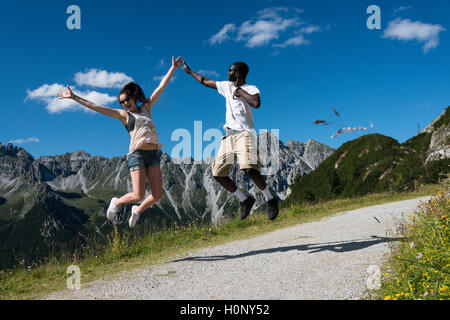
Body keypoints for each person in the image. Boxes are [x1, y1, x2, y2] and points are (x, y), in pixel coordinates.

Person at [58, 56, 184, 227]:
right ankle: (116, 202)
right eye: (122, 102)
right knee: (138, 195)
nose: (125, 103)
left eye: (127, 100)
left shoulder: (146, 108)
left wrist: (173, 68)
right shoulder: (123, 115)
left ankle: (137, 211)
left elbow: (161, 86)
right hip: (137, 155)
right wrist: (74, 97)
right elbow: (97, 107)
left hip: (153, 154)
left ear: (133, 98)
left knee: (157, 196)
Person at [182, 61, 279, 220]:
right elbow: (206, 81)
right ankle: (245, 200)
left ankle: (270, 198)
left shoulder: (251, 89)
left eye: (230, 70)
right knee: (217, 173)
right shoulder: (226, 86)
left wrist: (239, 91)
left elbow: (256, 103)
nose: (227, 72)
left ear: (238, 73)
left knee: (249, 169)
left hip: (244, 134)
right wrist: (189, 71)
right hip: (229, 136)